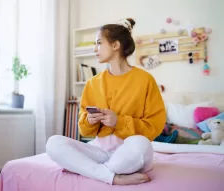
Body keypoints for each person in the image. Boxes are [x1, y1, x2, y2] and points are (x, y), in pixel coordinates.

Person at [46, 18, 166, 186]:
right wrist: (89, 120)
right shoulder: (93, 83)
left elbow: (155, 125)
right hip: (99, 150)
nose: (95, 49)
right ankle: (112, 177)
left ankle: (90, 170)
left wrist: (119, 121)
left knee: (140, 144)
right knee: (54, 143)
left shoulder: (145, 80)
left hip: (130, 151)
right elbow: (84, 130)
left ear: (115, 45)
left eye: (99, 43)